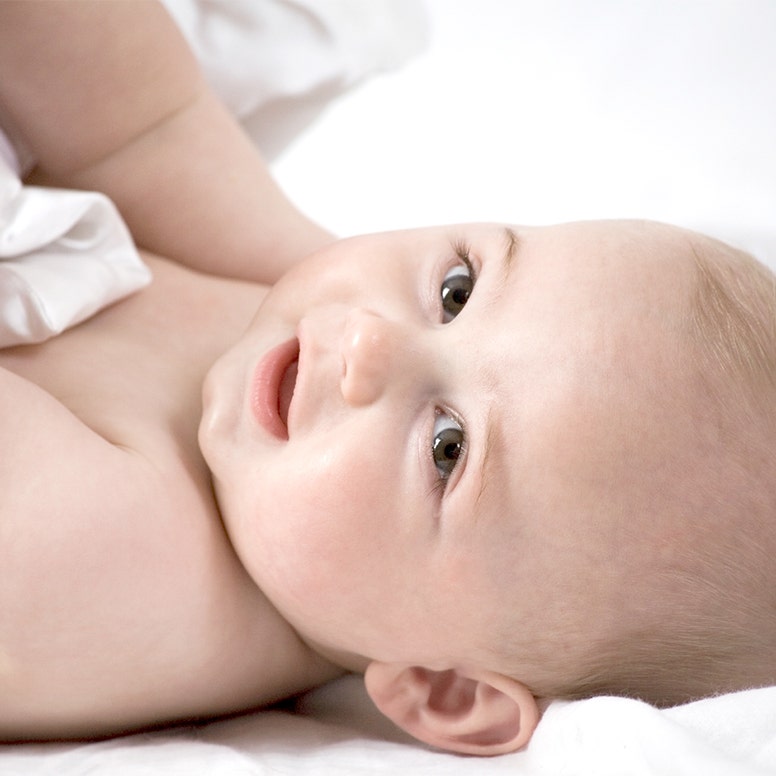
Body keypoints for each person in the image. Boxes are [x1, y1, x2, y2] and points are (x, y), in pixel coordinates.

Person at [2, 1, 775, 756]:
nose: (371, 342)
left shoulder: (125, 559)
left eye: (448, 448)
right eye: (457, 292)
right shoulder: (296, 304)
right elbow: (142, 124)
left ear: (447, 691)